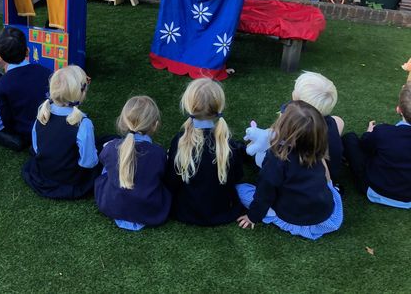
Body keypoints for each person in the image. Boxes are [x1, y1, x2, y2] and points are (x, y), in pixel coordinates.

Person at [237, 101, 343, 240]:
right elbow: (325, 175)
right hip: (331, 215)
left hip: (299, 221)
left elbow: (264, 194)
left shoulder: (276, 159)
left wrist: (252, 217)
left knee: (241, 190)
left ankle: (272, 216)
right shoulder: (316, 148)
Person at [165, 78, 244, 226]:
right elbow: (237, 176)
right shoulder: (228, 144)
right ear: (219, 107)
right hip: (223, 211)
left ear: (188, 106)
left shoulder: (179, 141)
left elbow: (171, 181)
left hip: (184, 212)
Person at [245, 71, 344, 183]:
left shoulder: (292, 120)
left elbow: (276, 135)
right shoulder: (328, 122)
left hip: (311, 176)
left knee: (255, 144)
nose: (293, 91)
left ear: (299, 105)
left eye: (295, 90)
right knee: (338, 120)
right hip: (330, 170)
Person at [94, 96, 171, 231]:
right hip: (148, 211)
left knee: (106, 170)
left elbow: (104, 161)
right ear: (155, 125)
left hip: (112, 205)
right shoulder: (159, 154)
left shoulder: (111, 147)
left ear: (123, 122)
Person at [22, 65, 98, 199]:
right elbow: (88, 162)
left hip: (44, 174)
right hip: (70, 180)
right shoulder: (83, 124)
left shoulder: (42, 114)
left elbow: (36, 148)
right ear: (81, 92)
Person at [342, 82, 411, 209]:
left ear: (399, 109)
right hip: (407, 198)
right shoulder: (384, 132)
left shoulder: (383, 132)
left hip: (374, 189)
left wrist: (369, 133)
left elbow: (364, 145)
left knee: (350, 138)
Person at [0, 27, 51, 151]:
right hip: (49, 125)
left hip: (24, 132)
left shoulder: (3, 83)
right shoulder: (45, 71)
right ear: (27, 51)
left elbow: (6, 117)